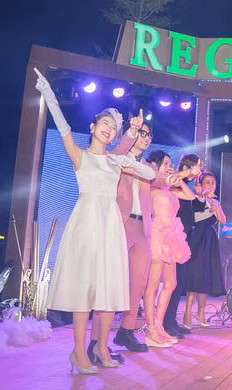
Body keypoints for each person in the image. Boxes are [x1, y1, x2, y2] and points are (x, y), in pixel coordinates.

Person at [34, 68, 155, 374]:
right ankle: (79, 352)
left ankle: (100, 347)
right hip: (87, 222)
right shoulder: (81, 156)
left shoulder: (115, 159)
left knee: (108, 286)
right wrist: (49, 94)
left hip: (110, 224)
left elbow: (150, 174)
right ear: (92, 126)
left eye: (114, 127)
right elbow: (62, 126)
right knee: (84, 289)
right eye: (105, 124)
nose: (109, 129)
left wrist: (128, 154)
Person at [89, 111, 187, 361]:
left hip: (142, 229)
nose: (145, 137)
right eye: (141, 133)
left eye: (148, 134)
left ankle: (126, 330)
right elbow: (121, 151)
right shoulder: (117, 157)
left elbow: (159, 177)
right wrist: (131, 132)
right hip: (119, 225)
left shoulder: (146, 167)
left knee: (139, 284)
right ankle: (95, 342)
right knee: (109, 284)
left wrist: (175, 176)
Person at [141, 151, 192, 348]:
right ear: (155, 166)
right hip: (158, 235)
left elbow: (190, 195)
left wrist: (178, 180)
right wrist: (175, 176)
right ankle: (150, 329)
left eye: (171, 163)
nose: (169, 167)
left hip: (172, 236)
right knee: (153, 285)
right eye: (166, 164)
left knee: (171, 283)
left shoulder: (170, 189)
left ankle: (159, 325)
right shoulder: (151, 185)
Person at [162, 153, 203, 336]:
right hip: (171, 237)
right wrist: (182, 175)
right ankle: (165, 323)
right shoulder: (171, 183)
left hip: (183, 238)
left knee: (179, 282)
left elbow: (194, 201)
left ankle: (171, 321)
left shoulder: (183, 184)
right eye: (197, 166)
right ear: (187, 167)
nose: (200, 170)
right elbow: (189, 198)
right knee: (172, 282)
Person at [183, 171, 226, 327]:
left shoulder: (215, 202)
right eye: (207, 182)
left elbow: (223, 220)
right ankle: (187, 313)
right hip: (197, 239)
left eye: (213, 183)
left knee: (205, 276)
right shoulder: (194, 199)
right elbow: (193, 218)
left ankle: (200, 313)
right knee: (195, 275)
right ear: (199, 185)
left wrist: (216, 208)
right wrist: (205, 203)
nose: (211, 185)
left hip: (210, 240)